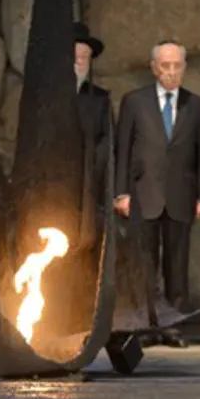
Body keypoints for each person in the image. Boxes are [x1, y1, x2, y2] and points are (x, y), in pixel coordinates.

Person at [114, 39, 200, 314]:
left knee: (177, 261)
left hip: (181, 193)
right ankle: (144, 317)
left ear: (184, 67)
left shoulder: (196, 105)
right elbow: (123, 150)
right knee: (143, 261)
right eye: (166, 66)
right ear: (154, 67)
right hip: (143, 193)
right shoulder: (134, 102)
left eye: (177, 66)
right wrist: (121, 192)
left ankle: (175, 316)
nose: (171, 72)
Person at [73, 22, 113, 248]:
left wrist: (92, 174)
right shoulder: (44, 97)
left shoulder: (99, 100)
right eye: (75, 55)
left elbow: (107, 144)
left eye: (85, 56)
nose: (80, 61)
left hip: (85, 191)